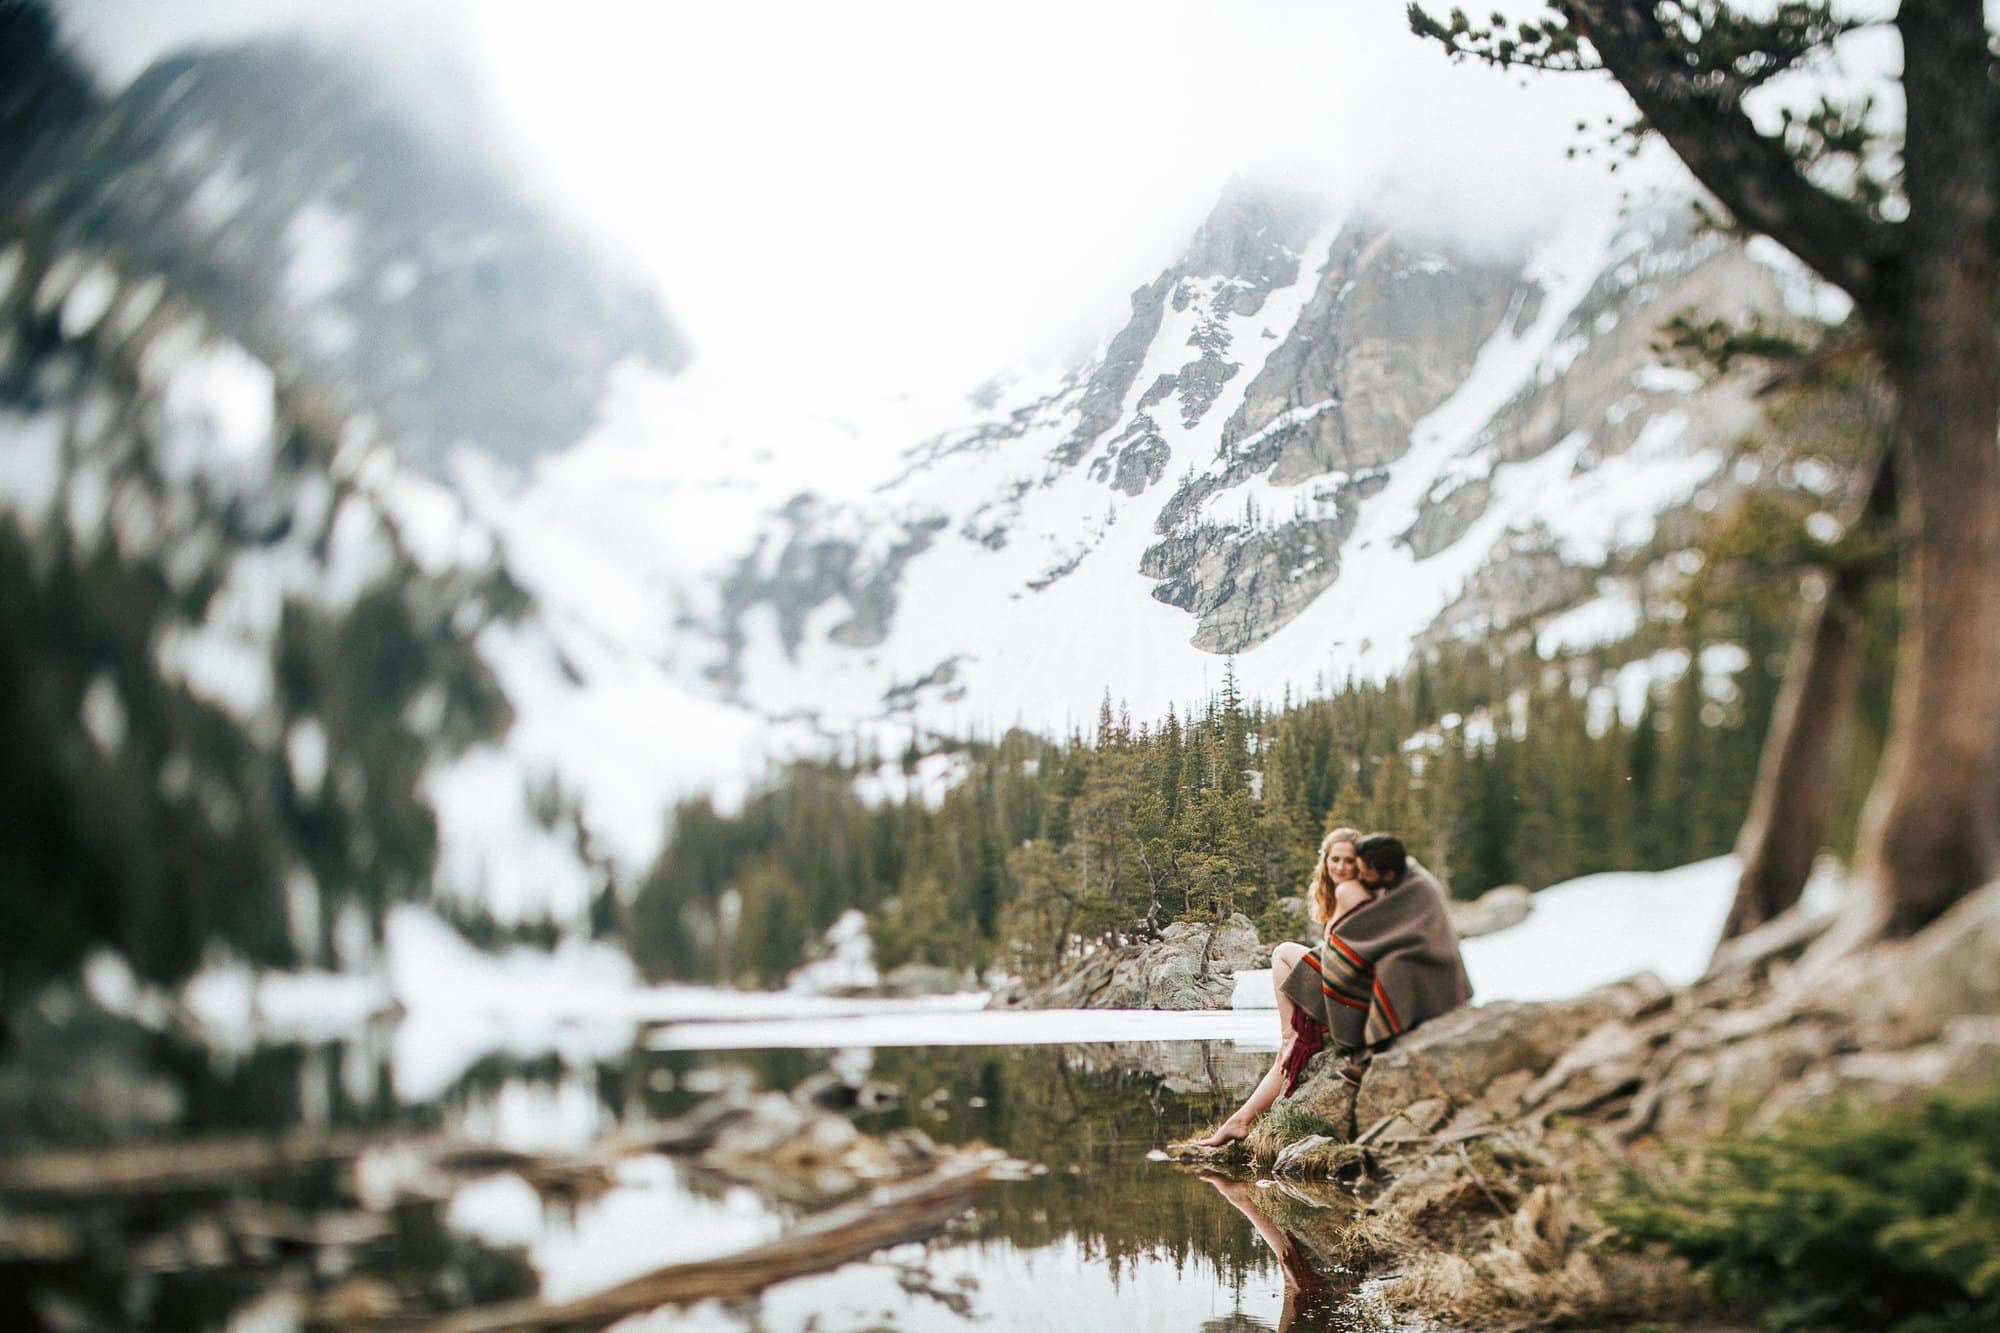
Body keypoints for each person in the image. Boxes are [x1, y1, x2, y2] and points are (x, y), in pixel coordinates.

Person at [1197, 831, 1472, 1148]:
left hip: (1355, 986)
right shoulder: (1376, 888)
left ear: (1365, 864)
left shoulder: (1352, 890)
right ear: (1324, 861)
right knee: (1290, 997)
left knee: (1285, 961)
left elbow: (1347, 945)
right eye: (1335, 859)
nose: (1342, 867)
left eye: (1350, 861)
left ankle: (1247, 1109)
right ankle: (1241, 1117)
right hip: (1356, 977)